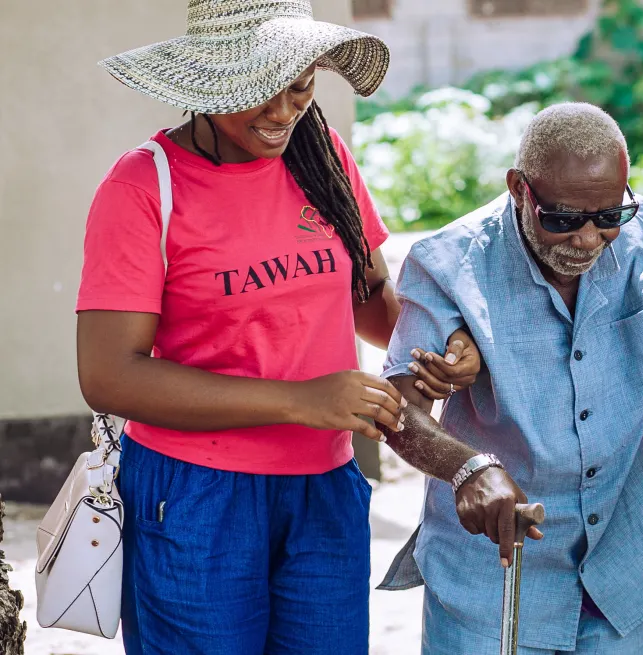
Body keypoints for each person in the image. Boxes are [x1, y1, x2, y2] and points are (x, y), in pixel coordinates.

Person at [75, 2, 482, 652]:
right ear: (209, 81)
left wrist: (443, 344)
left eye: (301, 86)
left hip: (325, 488)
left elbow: (371, 298)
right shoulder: (143, 187)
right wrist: (301, 399)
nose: (282, 113)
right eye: (259, 92)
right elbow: (108, 375)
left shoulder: (320, 156)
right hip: (194, 500)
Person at [375, 102, 643, 655]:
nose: (586, 239)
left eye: (607, 217)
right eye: (561, 219)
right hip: (491, 579)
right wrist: (466, 469)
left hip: (618, 571)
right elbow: (399, 412)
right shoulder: (449, 262)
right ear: (518, 188)